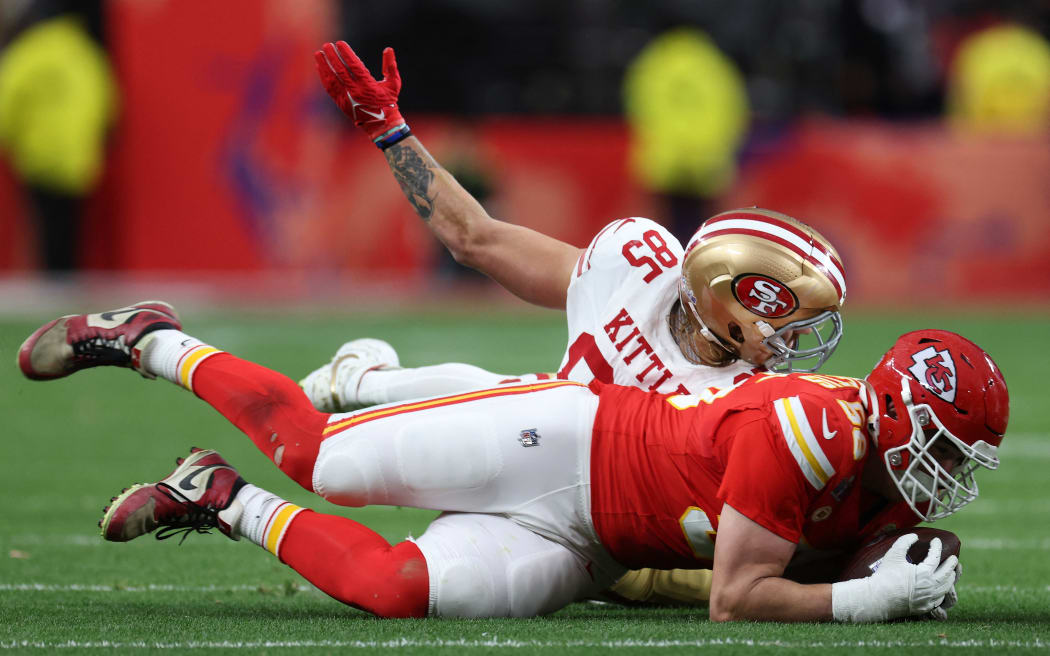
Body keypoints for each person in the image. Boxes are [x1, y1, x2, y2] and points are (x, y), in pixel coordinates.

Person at [17, 301, 1007, 622]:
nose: (951, 471)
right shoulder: (814, 427)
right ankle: (150, 339)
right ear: (899, 410)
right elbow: (739, 594)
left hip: (585, 541)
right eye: (949, 446)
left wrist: (907, 562)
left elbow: (862, 546)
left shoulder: (871, 468)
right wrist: (861, 601)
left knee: (395, 586)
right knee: (315, 454)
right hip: (565, 440)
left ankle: (216, 494)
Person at [299, 41, 847, 417]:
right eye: (785, 320)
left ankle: (362, 382)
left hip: (592, 510)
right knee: (525, 408)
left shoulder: (751, 397)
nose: (794, 342)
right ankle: (357, 383)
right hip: (539, 463)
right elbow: (475, 238)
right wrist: (390, 131)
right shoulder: (638, 263)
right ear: (730, 308)